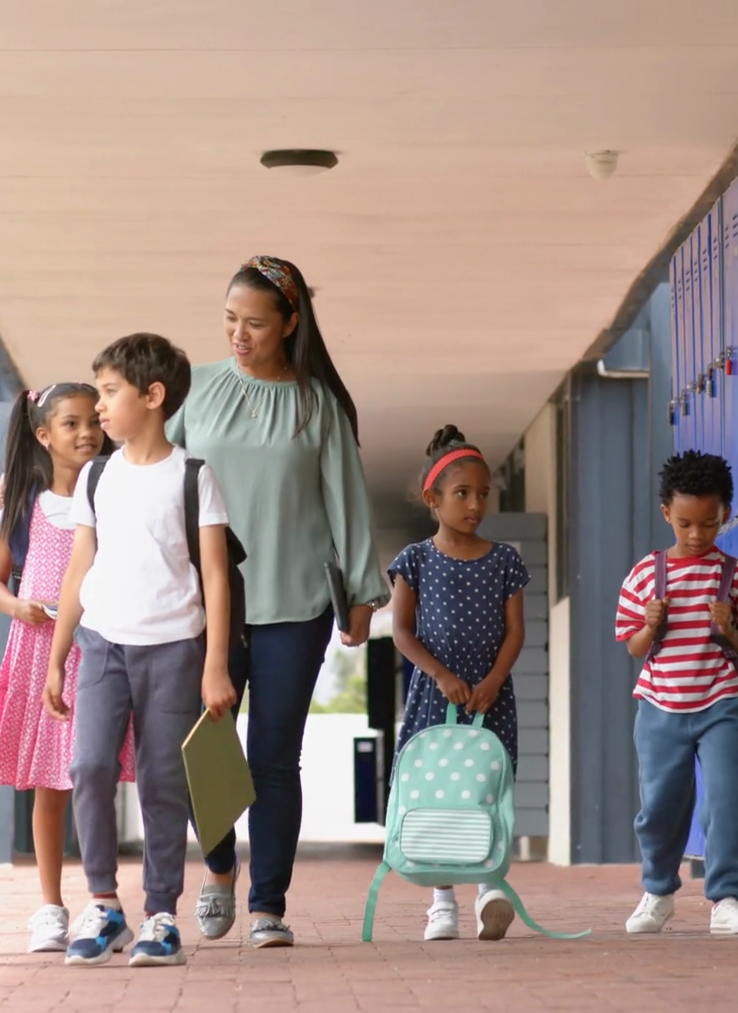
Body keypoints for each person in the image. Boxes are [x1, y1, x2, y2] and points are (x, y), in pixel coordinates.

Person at [170, 255, 390, 949]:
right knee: (203, 748)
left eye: (256, 323)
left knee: (272, 756)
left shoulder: (317, 405)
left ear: (290, 324)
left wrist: (362, 592)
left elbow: (346, 502)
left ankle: (268, 903)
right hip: (208, 605)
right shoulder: (195, 390)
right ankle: (217, 866)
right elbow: (152, 473)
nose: (239, 334)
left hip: (296, 602)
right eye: (230, 319)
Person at [47, 333, 238, 969]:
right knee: (89, 767)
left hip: (175, 650)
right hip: (102, 645)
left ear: (152, 396)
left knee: (163, 781)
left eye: (109, 392)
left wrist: (215, 665)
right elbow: (79, 567)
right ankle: (104, 906)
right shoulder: (96, 476)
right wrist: (58, 656)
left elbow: (215, 575)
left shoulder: (193, 477)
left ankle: (160, 914)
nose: (98, 406)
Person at [0, 381, 134, 954]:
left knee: (95, 778)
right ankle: (49, 906)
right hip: (38, 652)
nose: (86, 432)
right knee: (50, 786)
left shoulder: (118, 495)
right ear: (43, 435)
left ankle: (103, 902)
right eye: (71, 423)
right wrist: (18, 606)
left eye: (93, 420)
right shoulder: (24, 503)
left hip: (104, 648)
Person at [614, 450, 738, 937]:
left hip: (720, 704)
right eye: (685, 524)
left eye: (709, 523)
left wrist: (730, 630)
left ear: (725, 514)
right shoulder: (646, 573)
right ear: (667, 514)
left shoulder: (736, 574)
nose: (698, 535)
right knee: (659, 807)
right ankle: (658, 893)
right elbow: (634, 647)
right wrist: (649, 625)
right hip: (659, 706)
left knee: (727, 799)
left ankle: (727, 899)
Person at [386, 426, 531, 943]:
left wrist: (495, 678)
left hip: (492, 697)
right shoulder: (415, 560)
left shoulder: (505, 560)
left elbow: (515, 632)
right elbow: (402, 632)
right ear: (433, 499)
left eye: (483, 494)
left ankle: (490, 888)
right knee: (439, 792)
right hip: (436, 696)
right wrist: (442, 675)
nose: (475, 505)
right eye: (462, 493)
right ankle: (441, 903)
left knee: (487, 787)